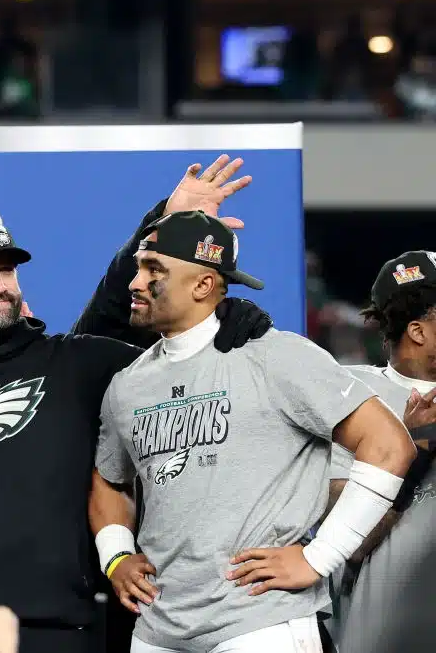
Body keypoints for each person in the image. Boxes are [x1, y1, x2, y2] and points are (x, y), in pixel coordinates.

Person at [0, 157, 275, 653]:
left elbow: (148, 328)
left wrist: (226, 315)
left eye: (6, 270)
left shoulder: (75, 365)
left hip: (62, 632)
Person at [89, 211, 416, 653]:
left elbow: (389, 444)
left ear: (203, 285)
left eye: (154, 270)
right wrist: (117, 557)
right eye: (139, 267)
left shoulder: (277, 356)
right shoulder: (127, 384)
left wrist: (319, 557)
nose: (135, 282)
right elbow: (110, 480)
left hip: (260, 622)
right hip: (157, 630)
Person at [332, 251, 436, 653]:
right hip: (382, 631)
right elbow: (349, 540)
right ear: (417, 330)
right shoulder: (349, 394)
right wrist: (410, 452)